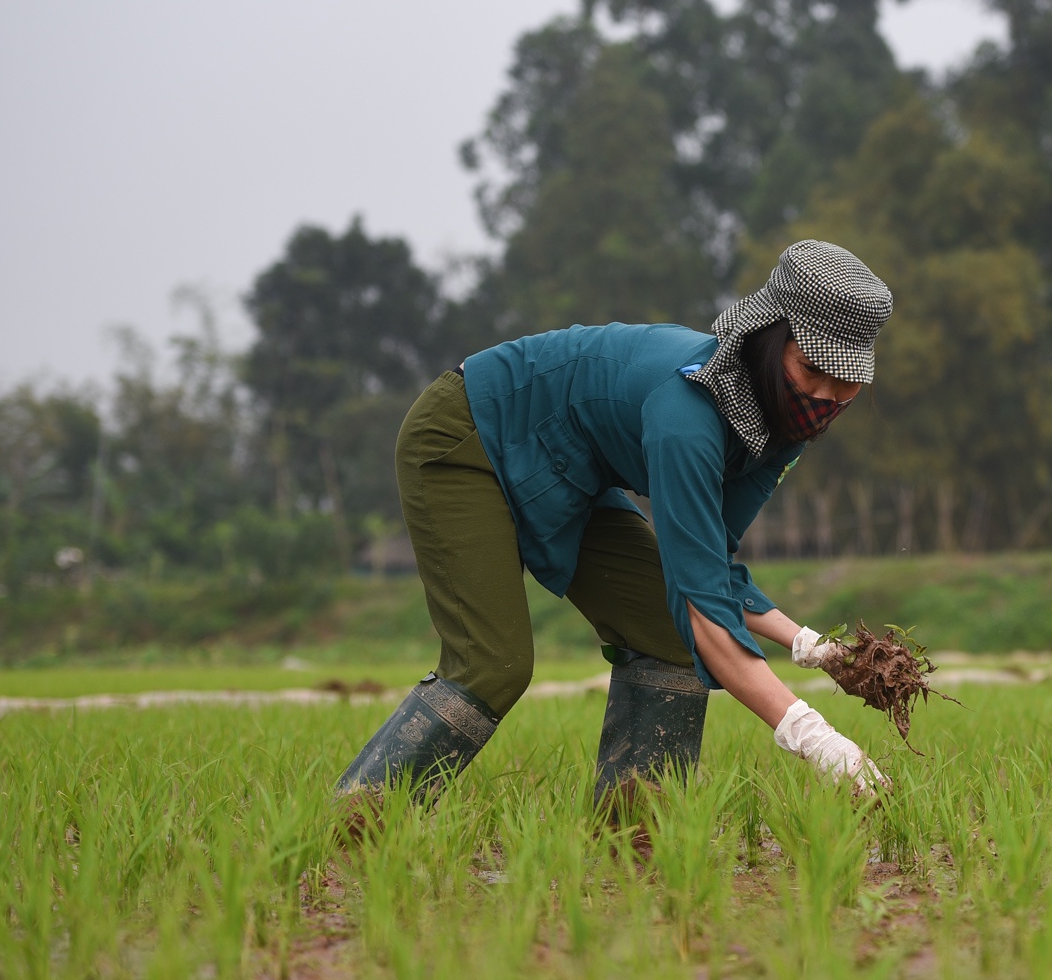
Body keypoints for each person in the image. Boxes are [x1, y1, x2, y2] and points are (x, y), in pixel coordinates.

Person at [336, 240, 892, 807]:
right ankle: (353, 822)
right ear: (768, 342)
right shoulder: (688, 418)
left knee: (663, 632)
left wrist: (811, 646)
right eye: (812, 368)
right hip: (473, 435)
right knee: (493, 664)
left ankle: (634, 842)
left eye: (844, 379)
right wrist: (815, 738)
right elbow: (703, 610)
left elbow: (710, 565)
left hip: (571, 471)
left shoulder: (775, 432)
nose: (825, 395)